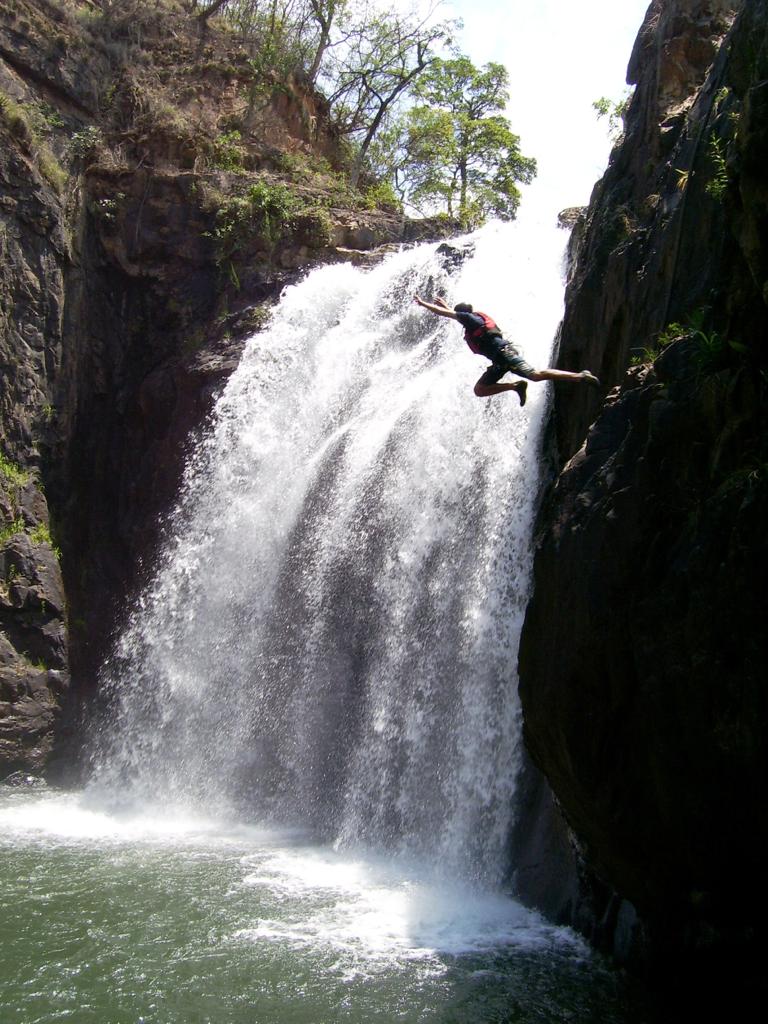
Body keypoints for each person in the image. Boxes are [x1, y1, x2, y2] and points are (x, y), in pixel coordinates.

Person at [413, 295, 600, 405]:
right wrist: (445, 305)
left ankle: (580, 376)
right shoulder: (473, 320)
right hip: (498, 361)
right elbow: (453, 315)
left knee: (535, 375)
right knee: (479, 389)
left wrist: (423, 304)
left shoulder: (471, 320)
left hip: (505, 354)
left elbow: (449, 315)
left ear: (463, 315)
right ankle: (516, 386)